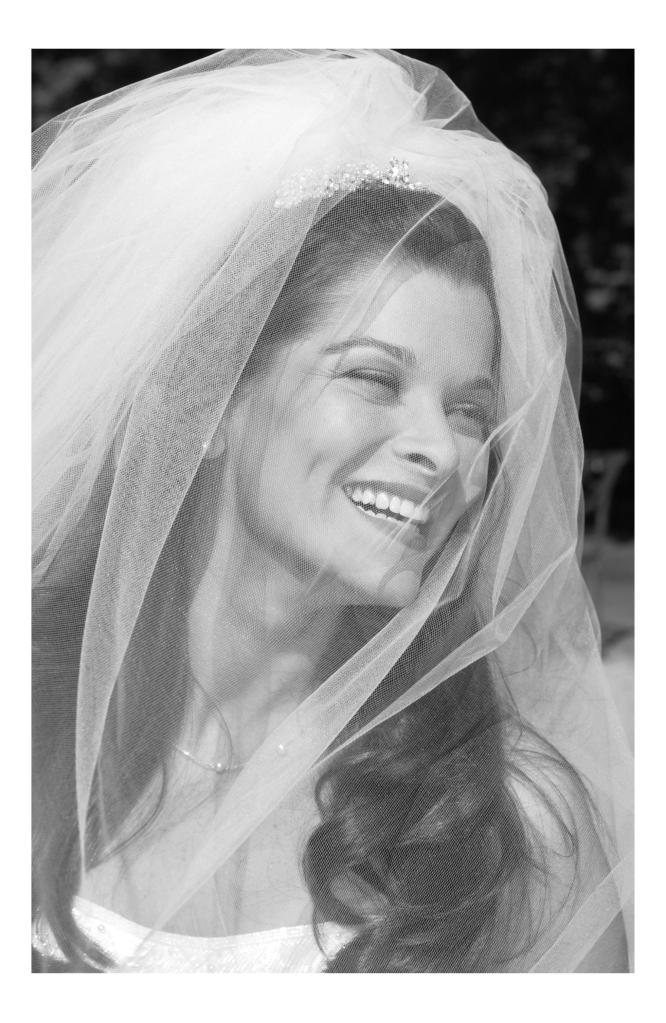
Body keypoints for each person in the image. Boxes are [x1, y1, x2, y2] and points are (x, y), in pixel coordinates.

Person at [32, 49, 633, 972]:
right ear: (213, 400)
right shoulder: (32, 732)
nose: (445, 451)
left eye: (470, 411)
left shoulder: (513, 830)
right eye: (374, 378)